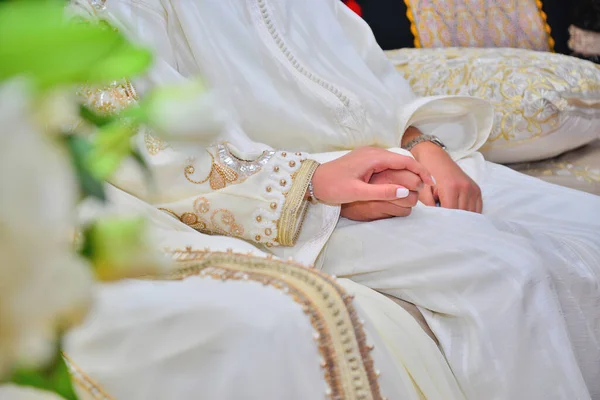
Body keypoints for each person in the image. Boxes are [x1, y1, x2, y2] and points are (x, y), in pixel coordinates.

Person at [69, 0, 600, 399]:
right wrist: (307, 185)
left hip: (390, 156)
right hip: (277, 199)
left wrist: (424, 143)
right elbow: (138, 133)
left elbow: (363, 78)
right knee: (505, 272)